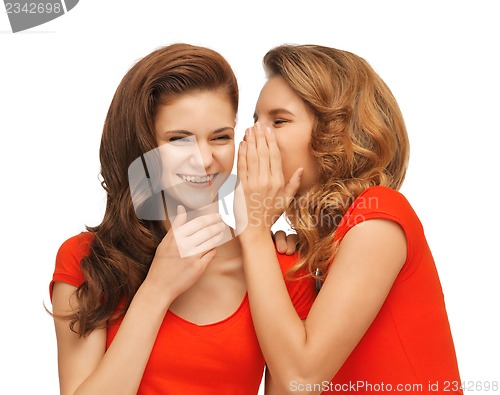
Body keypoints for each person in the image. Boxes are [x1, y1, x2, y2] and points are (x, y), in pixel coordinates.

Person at [49, 43, 316, 395]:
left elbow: (298, 384)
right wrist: (157, 290)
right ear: (142, 147)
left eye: (220, 137)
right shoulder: (87, 261)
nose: (204, 159)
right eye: (179, 140)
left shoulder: (280, 267)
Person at [237, 44, 463, 394]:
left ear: (335, 132)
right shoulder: (317, 246)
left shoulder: (379, 214)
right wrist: (282, 274)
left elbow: (303, 377)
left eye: (278, 120)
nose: (252, 136)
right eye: (255, 121)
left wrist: (252, 232)